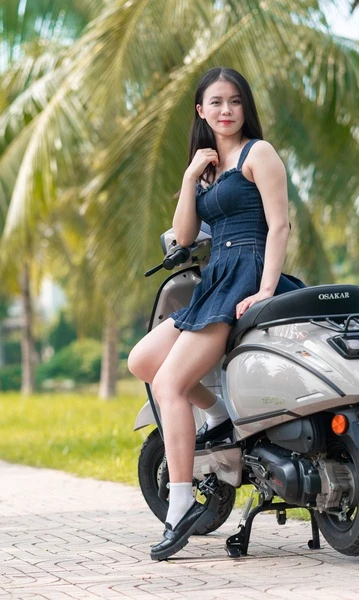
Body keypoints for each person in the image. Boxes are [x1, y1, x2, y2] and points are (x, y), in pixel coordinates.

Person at [126, 67, 305, 561]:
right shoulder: (205, 168)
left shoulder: (258, 154)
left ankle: (181, 502)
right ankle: (219, 411)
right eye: (217, 102)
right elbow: (185, 237)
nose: (227, 110)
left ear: (245, 107)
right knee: (143, 361)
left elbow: (279, 226)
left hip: (246, 276)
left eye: (235, 101)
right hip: (214, 282)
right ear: (201, 111)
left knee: (170, 385)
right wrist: (189, 177)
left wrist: (263, 289)